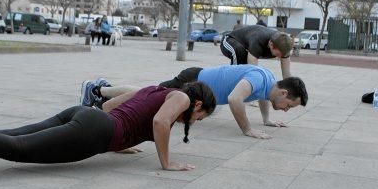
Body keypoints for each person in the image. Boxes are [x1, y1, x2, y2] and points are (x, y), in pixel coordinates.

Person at [0, 82, 217, 185]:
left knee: (9, 134)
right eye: (201, 117)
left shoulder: (155, 88)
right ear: (198, 103)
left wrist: (122, 141)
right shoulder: (182, 98)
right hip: (95, 131)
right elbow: (161, 123)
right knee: (16, 147)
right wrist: (167, 162)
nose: (196, 120)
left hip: (87, 117)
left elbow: (110, 108)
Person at [80, 65, 308, 139]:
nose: (286, 110)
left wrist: (266, 120)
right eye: (289, 106)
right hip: (192, 81)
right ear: (285, 93)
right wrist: (248, 129)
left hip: (196, 82)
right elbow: (234, 99)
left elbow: (261, 98)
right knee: (146, 95)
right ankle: (97, 89)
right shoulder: (259, 78)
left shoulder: (268, 83)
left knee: (148, 94)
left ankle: (102, 88)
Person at [220, 25, 293, 79]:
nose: (279, 57)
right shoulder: (258, 40)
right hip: (229, 40)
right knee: (240, 53)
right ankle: (229, 82)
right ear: (271, 44)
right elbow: (253, 72)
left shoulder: (284, 46)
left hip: (246, 45)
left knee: (244, 64)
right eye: (278, 54)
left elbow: (286, 75)